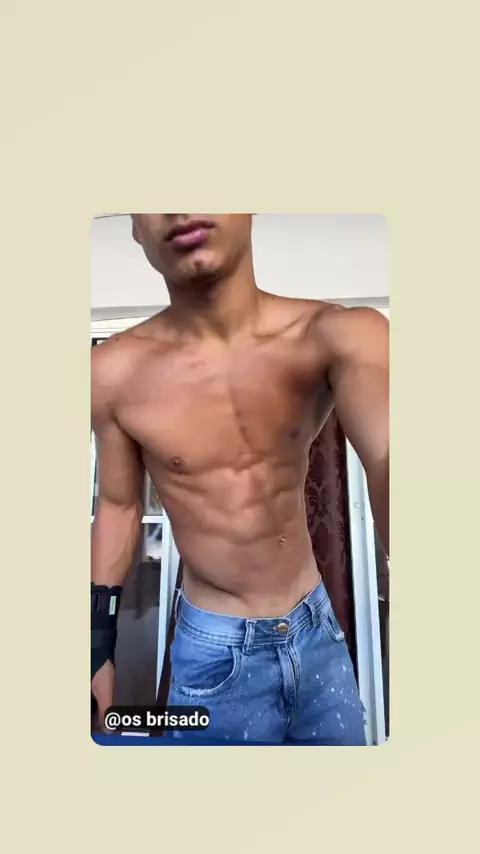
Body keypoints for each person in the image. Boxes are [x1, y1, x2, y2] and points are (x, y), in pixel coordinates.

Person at [91, 214, 389, 745]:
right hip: (213, 648)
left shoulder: (340, 335)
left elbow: (390, 454)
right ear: (134, 227)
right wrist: (96, 644)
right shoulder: (110, 373)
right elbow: (118, 506)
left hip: (317, 630)